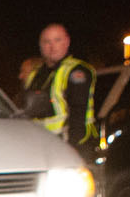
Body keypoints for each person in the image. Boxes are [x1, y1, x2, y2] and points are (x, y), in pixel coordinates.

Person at [19, 23, 99, 161]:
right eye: (47, 42)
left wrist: (72, 145)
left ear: (67, 42)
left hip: (72, 142)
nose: (52, 46)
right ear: (40, 46)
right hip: (42, 143)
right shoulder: (35, 75)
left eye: (57, 40)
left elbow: (78, 109)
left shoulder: (76, 70)